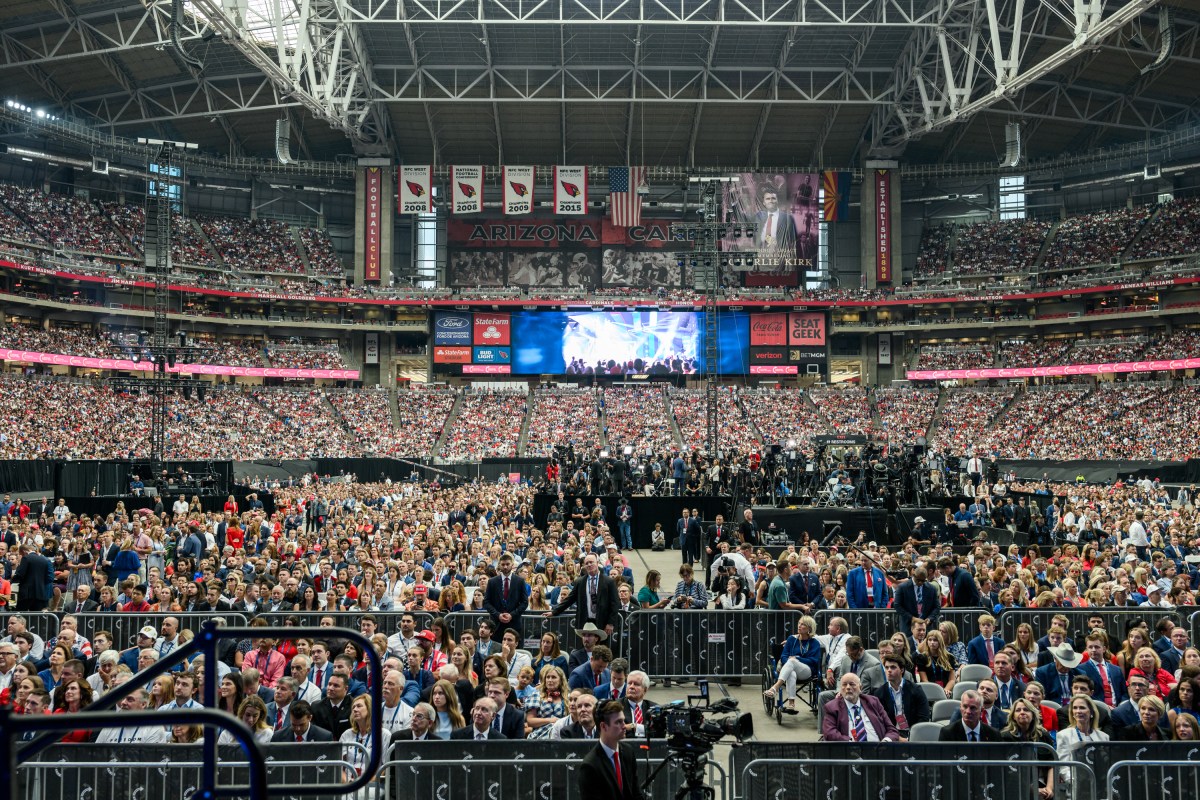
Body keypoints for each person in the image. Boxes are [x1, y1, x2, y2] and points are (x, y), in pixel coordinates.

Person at [578, 699, 647, 800]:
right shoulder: (590, 765)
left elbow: (636, 792)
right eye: (618, 722)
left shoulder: (628, 752)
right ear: (603, 726)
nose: (624, 726)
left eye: (623, 720)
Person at [546, 554, 621, 637]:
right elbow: (569, 599)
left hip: (602, 622)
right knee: (585, 647)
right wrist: (554, 612)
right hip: (584, 622)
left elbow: (614, 603)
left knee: (601, 649)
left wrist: (610, 623)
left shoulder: (609, 582)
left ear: (597, 563)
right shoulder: (580, 582)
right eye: (587, 563)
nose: (589, 565)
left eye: (591, 562)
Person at [762, 615, 822, 714]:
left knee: (792, 661)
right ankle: (791, 704)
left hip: (807, 671)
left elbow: (813, 660)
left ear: (809, 628)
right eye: (799, 623)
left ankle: (775, 688)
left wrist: (798, 659)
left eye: (803, 624)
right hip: (791, 668)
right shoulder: (791, 639)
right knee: (791, 672)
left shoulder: (814, 642)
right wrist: (792, 661)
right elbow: (784, 656)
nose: (799, 626)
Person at [820, 672, 898, 742]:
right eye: (844, 684)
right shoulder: (832, 707)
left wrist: (886, 742)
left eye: (852, 684)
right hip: (849, 752)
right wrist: (849, 743)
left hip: (878, 751)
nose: (848, 687)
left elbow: (891, 729)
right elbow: (829, 733)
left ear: (860, 688)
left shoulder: (873, 702)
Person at [1056, 695, 1109, 795]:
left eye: (1082, 708)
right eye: (1075, 708)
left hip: (1101, 788)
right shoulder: (1063, 735)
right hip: (1077, 788)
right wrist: (1075, 782)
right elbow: (1063, 766)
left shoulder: (1104, 737)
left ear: (1091, 712)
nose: (1078, 711)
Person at [872, 654, 931, 739]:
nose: (889, 670)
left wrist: (912, 736)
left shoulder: (915, 689)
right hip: (890, 735)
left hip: (913, 733)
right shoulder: (879, 693)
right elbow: (879, 721)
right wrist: (896, 737)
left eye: (893, 667)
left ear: (902, 670)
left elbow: (924, 717)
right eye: (886, 667)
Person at [483, 552, 528, 638]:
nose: (505, 567)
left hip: (514, 624)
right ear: (499, 565)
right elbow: (486, 602)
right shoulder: (492, 582)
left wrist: (512, 615)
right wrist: (497, 615)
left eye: (507, 564)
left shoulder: (520, 581)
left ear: (512, 565)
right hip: (496, 624)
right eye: (503, 564)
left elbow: (524, 602)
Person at [893, 567, 941, 635]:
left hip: (927, 626)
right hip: (908, 625)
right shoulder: (902, 587)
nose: (920, 582)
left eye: (923, 580)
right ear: (913, 575)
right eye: (918, 580)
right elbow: (897, 605)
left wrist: (930, 618)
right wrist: (912, 618)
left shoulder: (931, 589)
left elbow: (937, 607)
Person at [11, 543, 52, 611]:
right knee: (36, 618)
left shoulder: (26, 558)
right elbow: (49, 577)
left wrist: (11, 581)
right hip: (40, 594)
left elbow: (20, 574)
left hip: (27, 594)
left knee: (20, 615)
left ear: (24, 551)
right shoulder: (45, 560)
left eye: (21, 554)